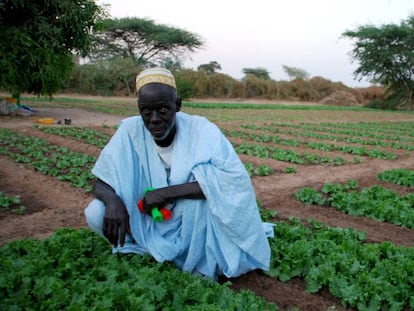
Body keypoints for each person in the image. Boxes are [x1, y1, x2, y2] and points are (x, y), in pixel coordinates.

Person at [85, 67, 273, 280]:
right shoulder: (130, 131)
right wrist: (112, 201)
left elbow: (233, 181)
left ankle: (194, 260)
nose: (154, 119)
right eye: (147, 112)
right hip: (146, 218)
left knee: (201, 189)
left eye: (163, 110)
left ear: (178, 105)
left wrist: (166, 193)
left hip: (187, 219)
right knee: (95, 212)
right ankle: (145, 248)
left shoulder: (201, 130)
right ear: (139, 109)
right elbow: (101, 181)